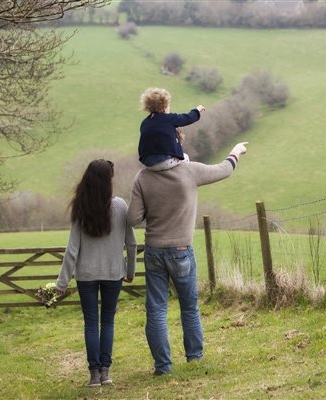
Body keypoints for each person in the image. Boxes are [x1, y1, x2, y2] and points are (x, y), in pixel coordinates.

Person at [127, 141, 249, 375]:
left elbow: (132, 218)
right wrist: (235, 150)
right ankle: (194, 358)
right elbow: (225, 169)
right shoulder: (189, 170)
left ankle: (163, 367)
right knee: (189, 307)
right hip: (181, 250)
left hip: (153, 250)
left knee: (156, 310)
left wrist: (153, 212)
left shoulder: (142, 177)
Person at [56, 159, 137, 387]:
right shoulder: (121, 206)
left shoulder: (80, 208)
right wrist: (130, 271)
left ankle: (94, 375)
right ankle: (106, 372)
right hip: (113, 273)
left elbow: (72, 250)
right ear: (108, 182)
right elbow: (131, 243)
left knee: (91, 323)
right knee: (108, 322)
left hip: (86, 275)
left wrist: (61, 283)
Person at [138, 87, 205, 171]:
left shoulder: (144, 123)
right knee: (185, 157)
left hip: (148, 163)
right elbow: (187, 118)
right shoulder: (169, 118)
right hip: (164, 161)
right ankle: (184, 178)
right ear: (164, 107)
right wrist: (197, 110)